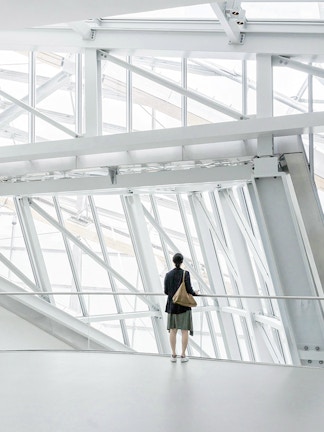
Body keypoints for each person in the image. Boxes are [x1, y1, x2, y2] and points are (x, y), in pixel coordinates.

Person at [164, 252, 198, 363]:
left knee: (173, 331)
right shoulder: (185, 274)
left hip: (172, 307)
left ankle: (173, 355)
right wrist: (195, 293)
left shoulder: (168, 275)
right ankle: (183, 355)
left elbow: (166, 291)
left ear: (174, 262)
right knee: (184, 331)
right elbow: (189, 290)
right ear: (182, 261)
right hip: (183, 307)